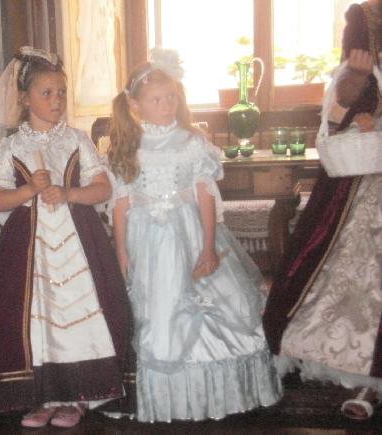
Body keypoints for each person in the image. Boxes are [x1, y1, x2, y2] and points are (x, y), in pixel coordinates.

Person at [108, 48, 282, 422]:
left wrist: (208, 247)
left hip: (188, 234)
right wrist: (120, 249)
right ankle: (166, 399)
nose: (166, 105)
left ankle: (218, 393)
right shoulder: (128, 147)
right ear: (135, 105)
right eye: (156, 100)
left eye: (171, 97)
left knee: (207, 300)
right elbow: (121, 203)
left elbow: (205, 196)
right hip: (146, 241)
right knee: (157, 308)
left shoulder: (192, 143)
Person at [0, 46, 131, 429]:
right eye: (46, 93)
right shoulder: (12, 146)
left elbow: (102, 187)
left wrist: (69, 192)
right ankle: (43, 394)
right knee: (36, 318)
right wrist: (28, 191)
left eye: (61, 92)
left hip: (78, 244)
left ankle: (76, 395)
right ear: (25, 98)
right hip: (29, 247)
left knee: (76, 313)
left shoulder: (77, 139)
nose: (56, 100)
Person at [263, 0, 382, 421]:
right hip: (360, 185)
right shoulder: (362, 24)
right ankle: (364, 379)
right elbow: (335, 117)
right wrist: (357, 80)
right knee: (355, 283)